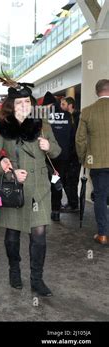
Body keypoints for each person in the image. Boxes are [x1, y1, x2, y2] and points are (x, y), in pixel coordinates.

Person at [0, 74, 61, 297]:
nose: (24, 106)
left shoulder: (43, 125)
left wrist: (49, 146)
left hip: (40, 188)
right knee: (12, 236)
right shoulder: (2, 127)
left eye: (27, 102)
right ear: (11, 106)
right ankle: (14, 271)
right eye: (19, 103)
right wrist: (8, 170)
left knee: (39, 234)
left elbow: (58, 152)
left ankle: (37, 279)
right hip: (14, 189)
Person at [76, 79, 109, 245]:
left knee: (101, 197)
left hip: (97, 162)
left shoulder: (88, 111)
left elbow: (80, 139)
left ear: (97, 92)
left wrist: (83, 157)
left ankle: (103, 234)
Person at [41, 91, 72, 222]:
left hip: (47, 157)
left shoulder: (43, 117)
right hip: (63, 156)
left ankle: (43, 210)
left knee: (46, 183)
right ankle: (56, 210)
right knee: (57, 181)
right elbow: (72, 136)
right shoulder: (67, 115)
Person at [60, 96, 81, 213]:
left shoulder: (79, 118)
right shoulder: (65, 118)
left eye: (63, 104)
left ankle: (73, 204)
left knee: (72, 180)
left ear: (70, 105)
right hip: (66, 154)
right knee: (65, 179)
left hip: (75, 155)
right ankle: (72, 203)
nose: (61, 107)